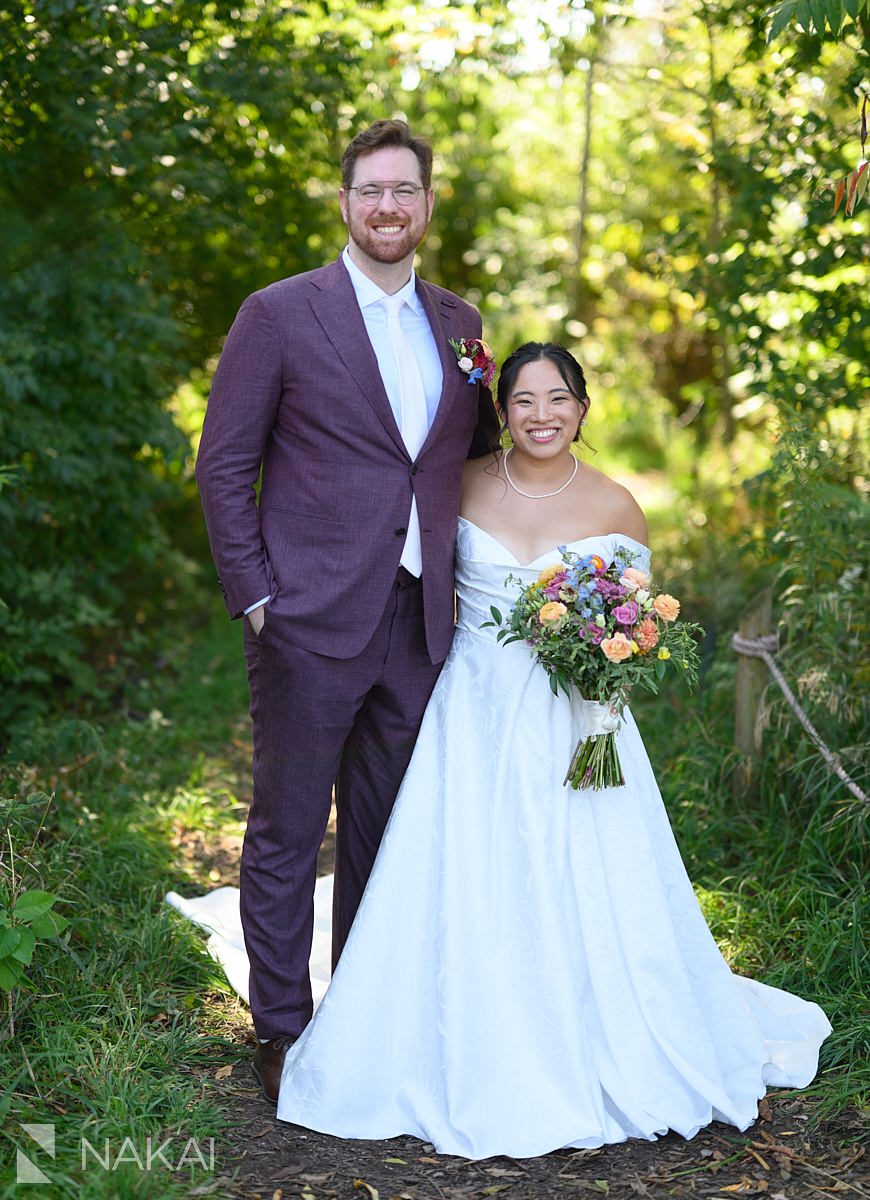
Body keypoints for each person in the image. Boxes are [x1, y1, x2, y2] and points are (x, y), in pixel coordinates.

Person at [274, 342, 831, 1159]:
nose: (542, 415)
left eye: (558, 398)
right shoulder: (460, 485)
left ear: (583, 408)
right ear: (502, 411)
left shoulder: (617, 505)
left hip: (581, 722)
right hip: (471, 713)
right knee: (463, 867)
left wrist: (605, 653)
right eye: (524, 400)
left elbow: (636, 626)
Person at [195, 118, 499, 1102]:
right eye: (370, 190)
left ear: (426, 204)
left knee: (388, 831)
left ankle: (365, 1016)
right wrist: (255, 597)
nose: (386, 207)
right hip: (306, 620)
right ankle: (282, 1032)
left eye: (404, 192)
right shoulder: (279, 314)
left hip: (420, 624)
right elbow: (224, 465)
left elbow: (477, 464)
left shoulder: (461, 326)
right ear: (344, 202)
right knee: (287, 829)